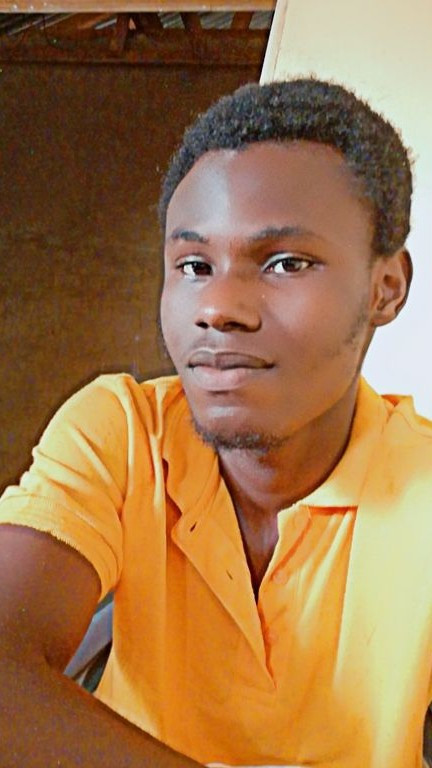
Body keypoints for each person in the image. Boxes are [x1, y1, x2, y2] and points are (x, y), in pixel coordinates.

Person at [0, 78, 430, 768]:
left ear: (386, 288)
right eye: (194, 265)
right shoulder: (125, 432)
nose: (217, 307)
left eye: (286, 262)